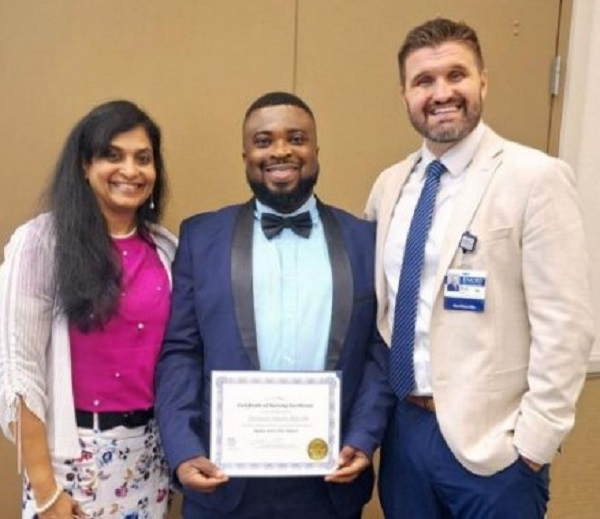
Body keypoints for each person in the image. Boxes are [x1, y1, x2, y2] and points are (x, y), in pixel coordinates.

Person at [364, 18, 595, 519]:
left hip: (496, 449)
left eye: (457, 75)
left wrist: (534, 441)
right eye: (424, 81)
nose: (441, 92)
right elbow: (381, 311)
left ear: (482, 82)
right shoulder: (390, 186)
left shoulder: (535, 179)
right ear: (404, 94)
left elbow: (567, 325)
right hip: (405, 436)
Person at [154, 91, 393, 519]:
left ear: (316, 151)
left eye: (296, 138)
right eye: (264, 141)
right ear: (245, 155)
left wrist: (364, 435)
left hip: (329, 483)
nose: (281, 150)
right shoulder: (201, 237)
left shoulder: (365, 240)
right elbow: (180, 353)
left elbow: (379, 350)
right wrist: (183, 448)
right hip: (222, 483)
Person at [0, 100, 177, 519]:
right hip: (69, 466)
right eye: (112, 155)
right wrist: (45, 492)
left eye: (143, 158)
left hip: (149, 462)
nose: (130, 171)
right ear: (83, 165)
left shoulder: (167, 249)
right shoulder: (40, 244)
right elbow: (17, 371)